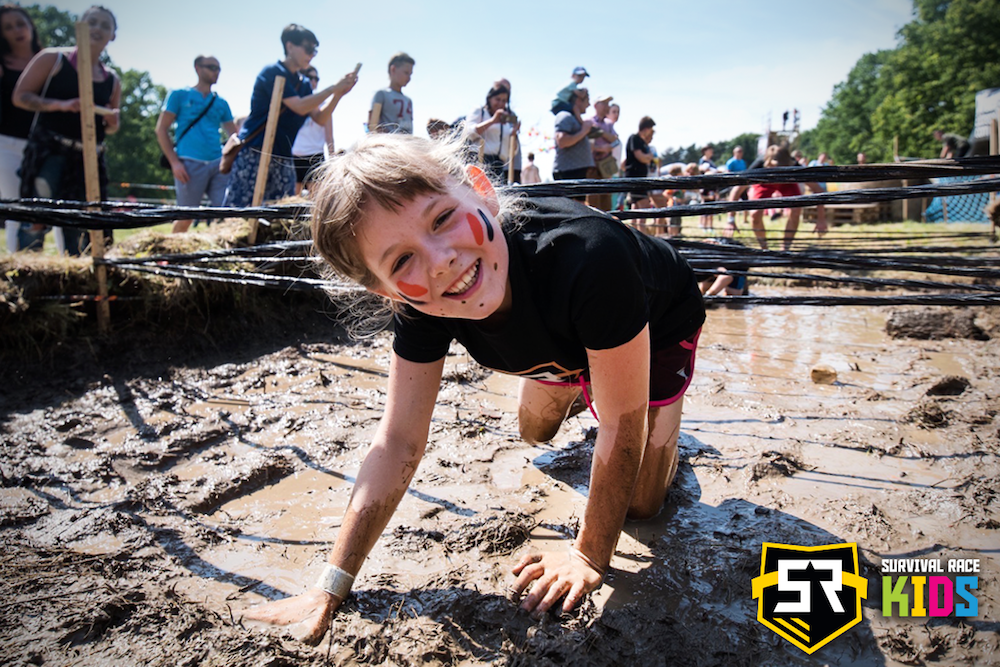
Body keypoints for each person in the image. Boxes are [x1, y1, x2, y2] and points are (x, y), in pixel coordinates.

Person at [242, 132, 706, 644]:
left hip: (657, 323)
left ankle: (615, 391)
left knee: (641, 507)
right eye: (401, 261)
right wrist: (331, 585)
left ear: (481, 190)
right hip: (568, 341)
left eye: (442, 218)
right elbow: (398, 440)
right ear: (386, 291)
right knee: (534, 432)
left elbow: (621, 425)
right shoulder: (420, 306)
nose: (440, 259)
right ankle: (586, 380)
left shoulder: (590, 254)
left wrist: (587, 555)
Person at [12, 4, 120, 256]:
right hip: (50, 151)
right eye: (92, 22)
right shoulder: (53, 59)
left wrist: (113, 122)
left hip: (88, 159)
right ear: (79, 26)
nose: (97, 28)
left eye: (105, 25)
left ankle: (79, 276)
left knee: (83, 225)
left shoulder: (112, 80)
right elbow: (21, 96)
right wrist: (60, 105)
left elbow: (111, 127)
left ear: (112, 35)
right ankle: (28, 274)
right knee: (36, 219)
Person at [223, 24, 357, 209]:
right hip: (256, 152)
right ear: (290, 46)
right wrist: (333, 87)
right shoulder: (272, 72)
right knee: (239, 211)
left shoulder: (304, 84)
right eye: (308, 48)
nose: (311, 54)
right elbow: (299, 107)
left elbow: (319, 118)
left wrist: (338, 94)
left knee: (277, 214)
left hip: (284, 156)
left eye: (314, 50)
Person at [156, 54, 236, 233]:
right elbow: (161, 129)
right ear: (197, 68)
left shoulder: (221, 103)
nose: (216, 72)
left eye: (218, 68)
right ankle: (174, 249)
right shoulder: (179, 95)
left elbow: (235, 135)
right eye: (212, 67)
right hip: (189, 164)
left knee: (227, 213)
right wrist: (174, 163)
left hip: (218, 164)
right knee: (186, 217)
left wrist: (231, 158)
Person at [728, 144, 825, 250]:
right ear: (768, 164)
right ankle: (764, 249)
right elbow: (736, 190)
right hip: (764, 182)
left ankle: (785, 249)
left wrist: (821, 219)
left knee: (796, 210)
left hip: (787, 183)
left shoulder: (795, 166)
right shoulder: (758, 166)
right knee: (755, 214)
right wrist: (731, 220)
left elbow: (818, 190)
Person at [0, 4, 41, 253]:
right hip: (7, 144)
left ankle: (65, 263)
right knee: (17, 207)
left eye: (20, 24)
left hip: (45, 146)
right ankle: (18, 266)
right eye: (8, 27)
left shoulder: (50, 61)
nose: (16, 30)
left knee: (56, 210)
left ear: (30, 26)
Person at [291, 66, 335, 195]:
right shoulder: (294, 103)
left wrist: (333, 163)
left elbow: (329, 136)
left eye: (317, 78)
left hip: (315, 156)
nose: (313, 81)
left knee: (315, 200)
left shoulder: (324, 106)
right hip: (294, 155)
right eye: (310, 77)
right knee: (291, 199)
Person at [464, 81, 519, 183]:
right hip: (479, 160)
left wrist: (513, 134)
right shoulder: (480, 111)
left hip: (498, 165)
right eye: (497, 99)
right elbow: (469, 133)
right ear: (489, 98)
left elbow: (510, 150)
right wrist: (492, 121)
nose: (500, 104)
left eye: (504, 101)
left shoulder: (505, 120)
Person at [551, 87, 594, 198]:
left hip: (577, 173)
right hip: (567, 173)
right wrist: (583, 131)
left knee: (578, 206)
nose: (589, 104)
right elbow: (562, 141)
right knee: (569, 208)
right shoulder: (565, 116)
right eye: (587, 100)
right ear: (578, 100)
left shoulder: (575, 119)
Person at [624, 116, 658, 235]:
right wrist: (648, 157)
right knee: (644, 205)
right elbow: (641, 157)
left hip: (641, 177)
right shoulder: (635, 138)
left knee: (636, 207)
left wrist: (648, 158)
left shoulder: (643, 142)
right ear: (646, 128)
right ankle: (642, 235)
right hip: (635, 177)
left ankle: (634, 234)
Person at [368, 52, 414, 134]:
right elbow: (372, 125)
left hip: (407, 141)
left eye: (410, 74)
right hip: (389, 141)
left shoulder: (408, 100)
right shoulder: (381, 94)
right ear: (393, 69)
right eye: (406, 73)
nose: (409, 78)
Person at [586, 94, 617, 211]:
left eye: (607, 104)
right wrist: (602, 148)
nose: (606, 106)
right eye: (603, 103)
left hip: (606, 168)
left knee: (606, 202)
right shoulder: (588, 121)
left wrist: (600, 132)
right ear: (595, 105)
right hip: (592, 167)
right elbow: (588, 146)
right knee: (593, 202)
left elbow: (614, 140)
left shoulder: (608, 124)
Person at [724, 145, 748, 231]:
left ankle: (745, 220)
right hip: (733, 185)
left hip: (742, 184)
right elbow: (727, 173)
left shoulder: (743, 162)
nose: (740, 153)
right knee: (733, 203)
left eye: (741, 151)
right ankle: (731, 220)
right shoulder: (730, 162)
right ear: (734, 153)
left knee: (746, 202)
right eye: (738, 151)